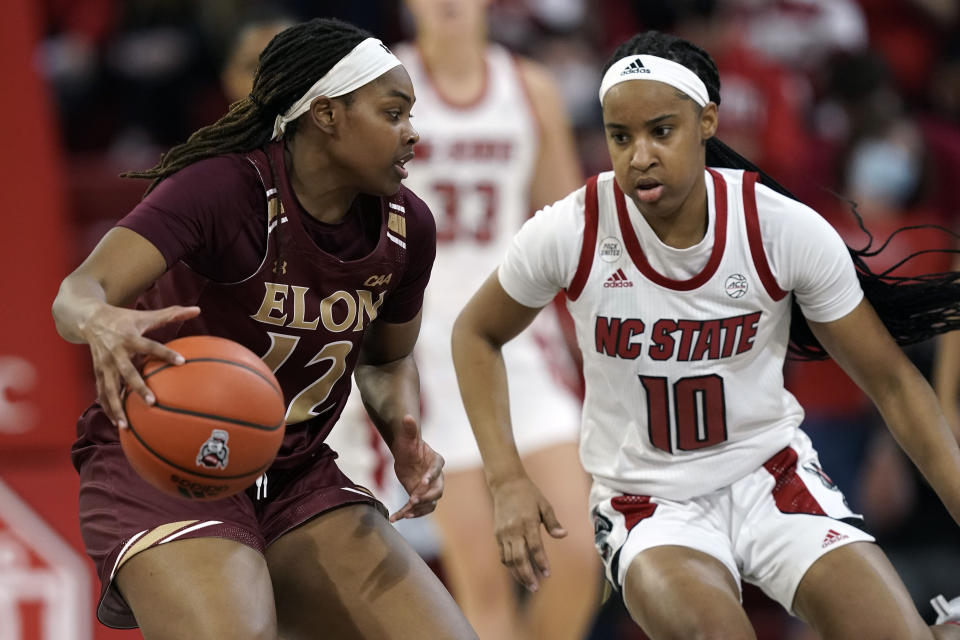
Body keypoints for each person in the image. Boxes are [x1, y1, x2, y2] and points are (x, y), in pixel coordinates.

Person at [451, 29, 960, 639]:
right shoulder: (572, 229)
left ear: (707, 122)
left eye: (660, 131)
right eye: (620, 136)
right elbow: (474, 333)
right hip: (648, 502)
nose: (639, 155)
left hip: (772, 475)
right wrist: (506, 479)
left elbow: (895, 384)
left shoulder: (781, 229)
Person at [51, 17, 477, 640]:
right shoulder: (222, 188)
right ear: (327, 114)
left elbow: (384, 361)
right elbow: (75, 294)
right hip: (166, 457)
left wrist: (401, 432)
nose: (412, 133)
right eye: (393, 113)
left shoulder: (408, 226)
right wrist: (101, 320)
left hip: (294, 469)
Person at [326, 1, 600, 638]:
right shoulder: (371, 83)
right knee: (482, 577)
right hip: (419, 343)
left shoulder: (528, 87)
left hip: (518, 338)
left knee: (579, 555)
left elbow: (569, 229)